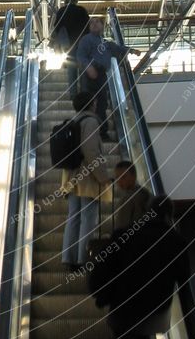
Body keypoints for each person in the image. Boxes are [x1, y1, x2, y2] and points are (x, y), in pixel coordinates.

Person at [90, 195, 190, 339]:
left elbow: (102, 269)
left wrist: (100, 295)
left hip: (122, 306)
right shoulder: (176, 242)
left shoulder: (124, 234)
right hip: (153, 311)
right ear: (169, 215)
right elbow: (184, 285)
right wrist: (192, 331)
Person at [60, 91, 109, 271]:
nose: (96, 104)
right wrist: (103, 177)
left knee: (73, 217)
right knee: (88, 218)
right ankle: (83, 259)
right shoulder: (91, 122)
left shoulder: (74, 121)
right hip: (86, 177)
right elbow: (90, 152)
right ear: (90, 104)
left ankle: (68, 257)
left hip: (71, 176)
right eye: (94, 101)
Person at [76, 17, 141, 140]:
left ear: (102, 26)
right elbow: (80, 56)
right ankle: (87, 133)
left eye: (97, 22)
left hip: (101, 75)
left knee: (102, 104)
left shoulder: (106, 43)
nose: (94, 24)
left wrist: (132, 51)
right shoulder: (86, 40)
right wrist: (88, 67)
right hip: (89, 75)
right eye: (91, 23)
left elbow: (119, 48)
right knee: (88, 104)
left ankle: (101, 132)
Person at [49, 0, 90, 97]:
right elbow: (88, 28)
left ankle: (73, 94)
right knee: (82, 69)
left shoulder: (62, 11)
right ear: (76, 0)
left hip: (68, 45)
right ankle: (84, 93)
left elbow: (57, 28)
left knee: (71, 69)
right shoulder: (82, 10)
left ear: (65, 0)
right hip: (82, 44)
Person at [113, 160, 153, 231]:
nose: (119, 181)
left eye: (123, 177)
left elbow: (121, 228)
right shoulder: (146, 193)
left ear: (134, 176)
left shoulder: (127, 199)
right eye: (117, 178)